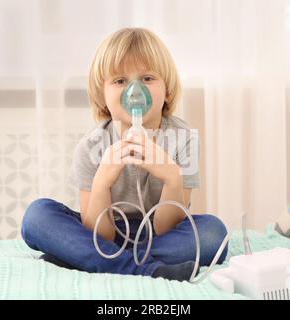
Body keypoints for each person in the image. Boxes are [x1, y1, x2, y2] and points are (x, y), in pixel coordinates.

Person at [21, 27, 228, 282]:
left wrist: (172, 177)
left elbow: (165, 228)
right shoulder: (92, 146)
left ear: (168, 90)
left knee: (213, 233)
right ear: (102, 95)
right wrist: (102, 183)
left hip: (159, 237)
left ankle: (87, 259)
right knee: (37, 216)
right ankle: (146, 269)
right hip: (104, 231)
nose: (134, 90)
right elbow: (101, 236)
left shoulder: (183, 140)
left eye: (147, 78)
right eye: (120, 81)